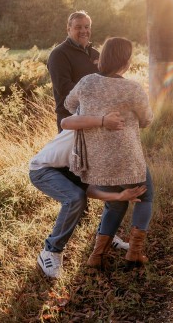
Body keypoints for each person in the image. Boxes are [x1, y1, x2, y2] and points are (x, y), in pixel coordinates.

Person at [65, 37, 155, 269]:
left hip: (97, 160)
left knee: (115, 204)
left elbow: (68, 104)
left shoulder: (86, 83)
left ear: (103, 57)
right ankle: (134, 252)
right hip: (128, 158)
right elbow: (147, 119)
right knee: (145, 195)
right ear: (126, 61)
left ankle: (97, 256)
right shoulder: (132, 87)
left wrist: (93, 113)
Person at [30, 112, 146, 278]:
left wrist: (119, 196)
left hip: (70, 170)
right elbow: (65, 122)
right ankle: (50, 251)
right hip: (43, 169)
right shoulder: (91, 115)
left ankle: (106, 236)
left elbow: (89, 189)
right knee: (74, 198)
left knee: (116, 200)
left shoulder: (106, 150)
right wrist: (103, 120)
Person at [47, 11, 100, 132]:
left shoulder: (96, 54)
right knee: (72, 152)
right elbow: (64, 87)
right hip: (70, 120)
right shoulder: (59, 54)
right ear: (68, 29)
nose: (83, 31)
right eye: (78, 27)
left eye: (87, 27)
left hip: (96, 118)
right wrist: (96, 93)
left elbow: (105, 79)